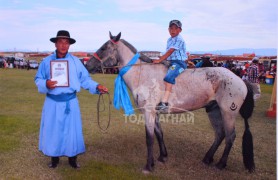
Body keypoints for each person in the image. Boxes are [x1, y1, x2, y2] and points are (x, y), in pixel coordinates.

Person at [34, 30, 108, 169]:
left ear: (69, 45)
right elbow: (38, 79)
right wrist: (45, 84)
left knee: (72, 131)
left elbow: (85, 79)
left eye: (66, 42)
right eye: (60, 42)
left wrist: (97, 87)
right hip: (52, 102)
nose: (63, 45)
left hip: (70, 102)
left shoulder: (75, 62)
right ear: (55, 44)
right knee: (53, 131)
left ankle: (72, 159)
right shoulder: (46, 62)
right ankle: (54, 159)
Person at [153, 20, 187, 110]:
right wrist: (160, 58)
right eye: (171, 28)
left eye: (175, 28)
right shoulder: (169, 40)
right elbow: (167, 52)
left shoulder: (179, 39)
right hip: (171, 61)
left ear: (180, 30)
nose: (173, 30)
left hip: (179, 63)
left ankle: (165, 102)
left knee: (168, 77)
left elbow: (171, 51)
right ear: (168, 29)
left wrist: (160, 59)